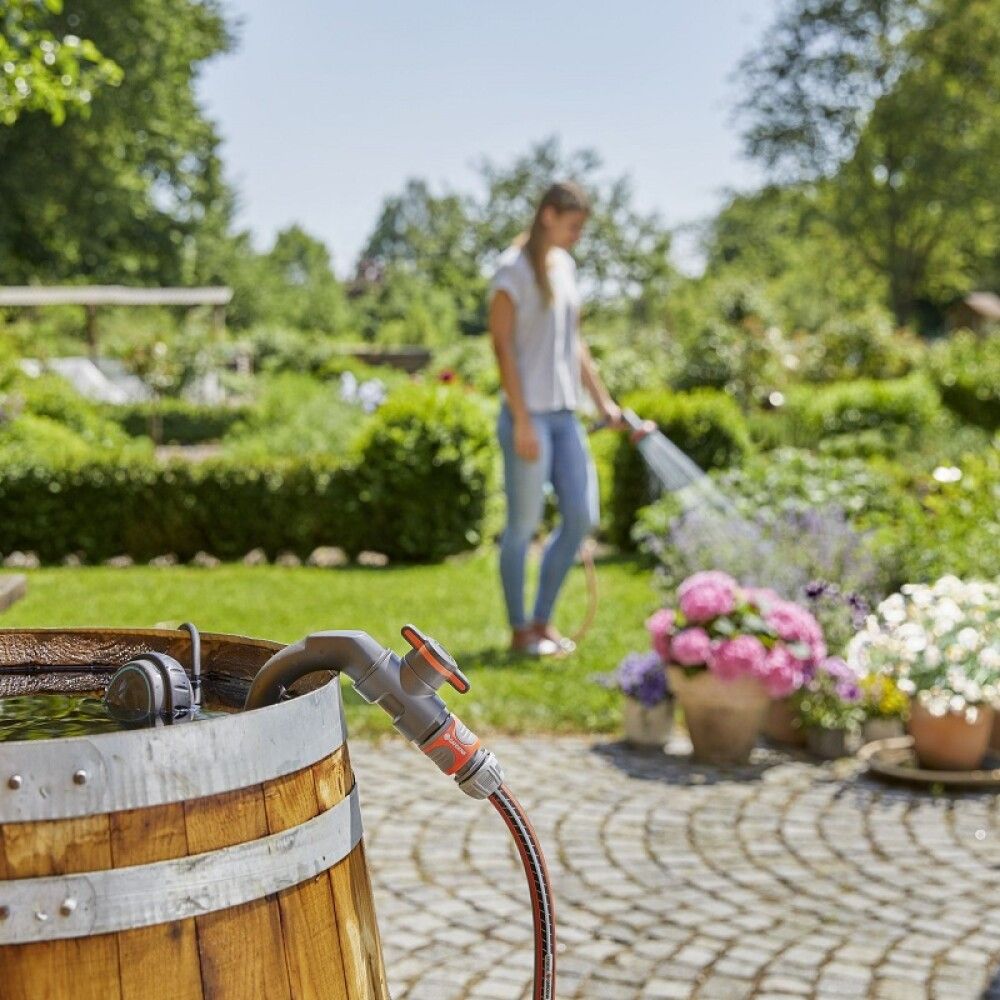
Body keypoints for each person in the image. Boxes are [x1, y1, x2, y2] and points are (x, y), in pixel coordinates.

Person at [488, 181, 622, 657]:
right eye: (574, 224)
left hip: (566, 415)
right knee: (523, 526)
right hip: (530, 416)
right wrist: (522, 420)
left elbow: (574, 342)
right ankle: (521, 630)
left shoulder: (564, 266)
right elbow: (502, 347)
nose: (578, 235)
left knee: (583, 516)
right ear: (548, 215)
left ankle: (543, 620)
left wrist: (603, 403)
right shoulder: (511, 271)